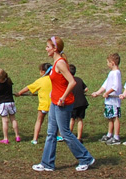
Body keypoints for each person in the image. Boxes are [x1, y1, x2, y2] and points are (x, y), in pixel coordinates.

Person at [32, 36, 95, 172]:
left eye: (48, 46)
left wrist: (63, 97)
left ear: (55, 48)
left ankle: (86, 158)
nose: (46, 49)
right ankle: (47, 163)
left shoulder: (60, 63)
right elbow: (59, 82)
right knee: (51, 133)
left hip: (63, 104)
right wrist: (53, 94)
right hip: (54, 102)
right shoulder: (55, 63)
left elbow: (72, 82)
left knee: (65, 133)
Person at [16, 63, 53, 145]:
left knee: (39, 121)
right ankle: (55, 137)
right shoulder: (55, 79)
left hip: (43, 105)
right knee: (54, 122)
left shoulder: (40, 81)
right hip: (53, 105)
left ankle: (35, 139)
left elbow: (28, 88)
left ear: (43, 72)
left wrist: (19, 93)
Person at [91, 53, 123, 144]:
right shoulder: (111, 73)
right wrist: (98, 92)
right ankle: (109, 134)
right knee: (110, 117)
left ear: (112, 63)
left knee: (115, 117)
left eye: (108, 62)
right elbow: (106, 84)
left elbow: (115, 86)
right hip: (109, 100)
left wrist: (107, 93)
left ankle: (116, 137)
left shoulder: (116, 73)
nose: (107, 64)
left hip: (114, 100)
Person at [0, 68, 20, 143]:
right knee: (13, 119)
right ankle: (17, 136)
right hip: (11, 102)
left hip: (3, 104)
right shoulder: (9, 81)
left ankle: (5, 138)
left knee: (5, 121)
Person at [68, 63, 89, 141]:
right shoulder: (79, 79)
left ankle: (69, 136)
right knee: (80, 120)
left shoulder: (69, 81)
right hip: (82, 103)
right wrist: (81, 91)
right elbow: (86, 89)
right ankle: (79, 137)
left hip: (74, 103)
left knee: (72, 119)